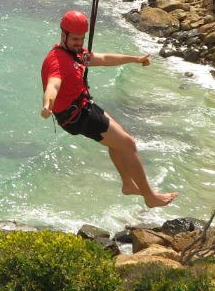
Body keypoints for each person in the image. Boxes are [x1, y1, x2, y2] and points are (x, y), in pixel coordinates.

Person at [40, 10, 178, 207]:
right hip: (78, 117)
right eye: (75, 39)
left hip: (84, 107)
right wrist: (47, 104)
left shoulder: (77, 54)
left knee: (119, 142)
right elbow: (53, 84)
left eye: (81, 38)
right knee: (128, 144)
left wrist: (134, 59)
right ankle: (150, 196)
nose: (79, 42)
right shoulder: (57, 60)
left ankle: (128, 185)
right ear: (63, 35)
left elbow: (104, 59)